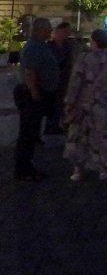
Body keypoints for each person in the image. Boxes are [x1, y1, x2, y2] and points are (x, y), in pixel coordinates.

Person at [62, 29, 107, 181]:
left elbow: (75, 83)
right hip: (106, 105)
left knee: (80, 136)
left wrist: (69, 102)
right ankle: (104, 168)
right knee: (105, 137)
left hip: (84, 104)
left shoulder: (83, 59)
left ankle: (78, 169)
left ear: (94, 41)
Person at [15, 18, 62, 182]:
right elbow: (30, 73)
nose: (50, 31)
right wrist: (35, 95)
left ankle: (26, 166)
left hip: (38, 93)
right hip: (32, 95)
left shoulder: (41, 45)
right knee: (28, 132)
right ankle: (23, 169)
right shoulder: (34, 47)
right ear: (40, 30)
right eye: (49, 29)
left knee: (31, 132)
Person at [45, 21, 75, 136]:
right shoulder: (49, 46)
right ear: (58, 33)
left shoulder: (69, 45)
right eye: (66, 32)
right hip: (52, 80)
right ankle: (51, 126)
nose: (68, 34)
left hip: (65, 80)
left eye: (68, 32)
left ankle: (61, 125)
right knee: (53, 104)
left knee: (63, 103)